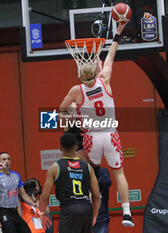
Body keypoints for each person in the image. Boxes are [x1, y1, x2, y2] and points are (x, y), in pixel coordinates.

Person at [59, 21, 134, 227]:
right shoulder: (105, 79)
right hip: (110, 133)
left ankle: (90, 203)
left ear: (80, 76)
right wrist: (117, 32)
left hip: (91, 136)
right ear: (96, 70)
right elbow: (111, 55)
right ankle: (127, 212)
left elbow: (62, 108)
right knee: (119, 173)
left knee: (91, 169)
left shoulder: (76, 90)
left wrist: (72, 113)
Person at [38, 133, 101, 233]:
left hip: (69, 209)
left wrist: (41, 213)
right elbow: (97, 196)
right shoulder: (87, 167)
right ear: (76, 147)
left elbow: (45, 196)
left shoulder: (55, 167)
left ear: (60, 148)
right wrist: (94, 216)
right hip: (86, 208)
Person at [0, 152, 36, 233]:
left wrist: (33, 203)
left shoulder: (16, 175)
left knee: (27, 231)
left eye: (8, 159)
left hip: (14, 211)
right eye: (4, 159)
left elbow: (23, 194)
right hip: (3, 212)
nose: (6, 161)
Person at [93, 168, 112, 233]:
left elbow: (106, 182)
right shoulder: (79, 172)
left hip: (101, 216)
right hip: (83, 216)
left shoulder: (102, 172)